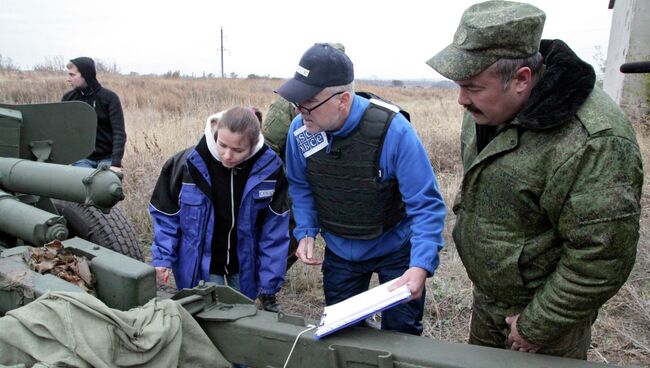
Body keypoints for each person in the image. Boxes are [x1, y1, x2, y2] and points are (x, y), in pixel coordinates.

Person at [426, 0, 643, 359]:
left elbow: (601, 256)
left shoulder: (595, 141)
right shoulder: (485, 109)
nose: (461, 100)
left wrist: (538, 324)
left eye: (473, 87)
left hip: (546, 321)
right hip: (489, 301)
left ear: (522, 79)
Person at [276, 43, 446, 335]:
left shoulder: (394, 131)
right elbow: (301, 185)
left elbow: (426, 205)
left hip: (396, 248)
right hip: (341, 251)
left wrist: (420, 265)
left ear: (342, 100)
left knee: (401, 335)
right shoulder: (299, 132)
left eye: (308, 102)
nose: (300, 110)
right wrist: (306, 230)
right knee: (343, 335)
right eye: (297, 101)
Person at [149, 107, 289, 313]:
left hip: (243, 267)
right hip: (200, 266)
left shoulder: (271, 169)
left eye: (238, 150)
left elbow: (274, 231)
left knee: (242, 318)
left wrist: (269, 282)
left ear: (253, 145)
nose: (227, 155)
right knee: (203, 318)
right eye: (222, 145)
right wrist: (163, 257)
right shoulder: (186, 164)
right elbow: (166, 215)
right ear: (216, 134)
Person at [262, 42, 345, 270]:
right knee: (287, 239)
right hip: (291, 185)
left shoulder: (336, 101)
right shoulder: (287, 104)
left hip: (321, 186)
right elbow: (269, 148)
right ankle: (265, 289)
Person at [62, 57, 126, 172]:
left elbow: (119, 133)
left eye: (72, 75)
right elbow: (62, 132)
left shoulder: (110, 98)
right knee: (84, 186)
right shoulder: (68, 99)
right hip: (81, 158)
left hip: (107, 158)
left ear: (85, 75)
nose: (68, 79)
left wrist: (116, 164)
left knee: (107, 186)